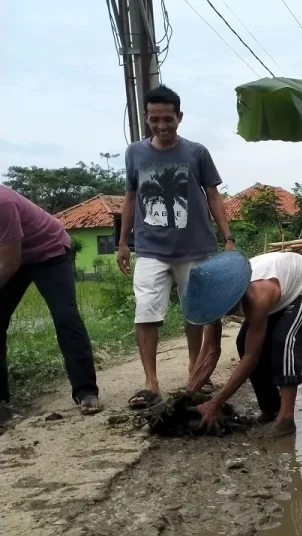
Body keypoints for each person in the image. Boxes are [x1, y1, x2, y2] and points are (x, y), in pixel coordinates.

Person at [117, 85, 236, 409]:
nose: (161, 126)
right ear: (146, 118)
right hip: (151, 248)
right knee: (146, 312)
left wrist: (228, 238)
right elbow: (130, 197)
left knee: (195, 314)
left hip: (195, 248)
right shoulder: (135, 153)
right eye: (154, 119)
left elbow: (213, 195)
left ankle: (195, 375)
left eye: (167, 119)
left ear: (179, 117)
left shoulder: (197, 153)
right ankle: (150, 384)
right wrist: (123, 242)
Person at [182, 250, 302, 438]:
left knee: (283, 341)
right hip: (275, 290)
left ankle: (286, 418)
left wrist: (216, 402)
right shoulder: (213, 300)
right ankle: (270, 408)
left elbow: (252, 357)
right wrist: (187, 397)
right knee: (243, 343)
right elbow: (210, 350)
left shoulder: (256, 297)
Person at [0, 185, 102, 415]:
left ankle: (86, 391)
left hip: (49, 251)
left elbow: (10, 263)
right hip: (11, 255)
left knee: (65, 317)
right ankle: (1, 400)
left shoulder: (3, 202)